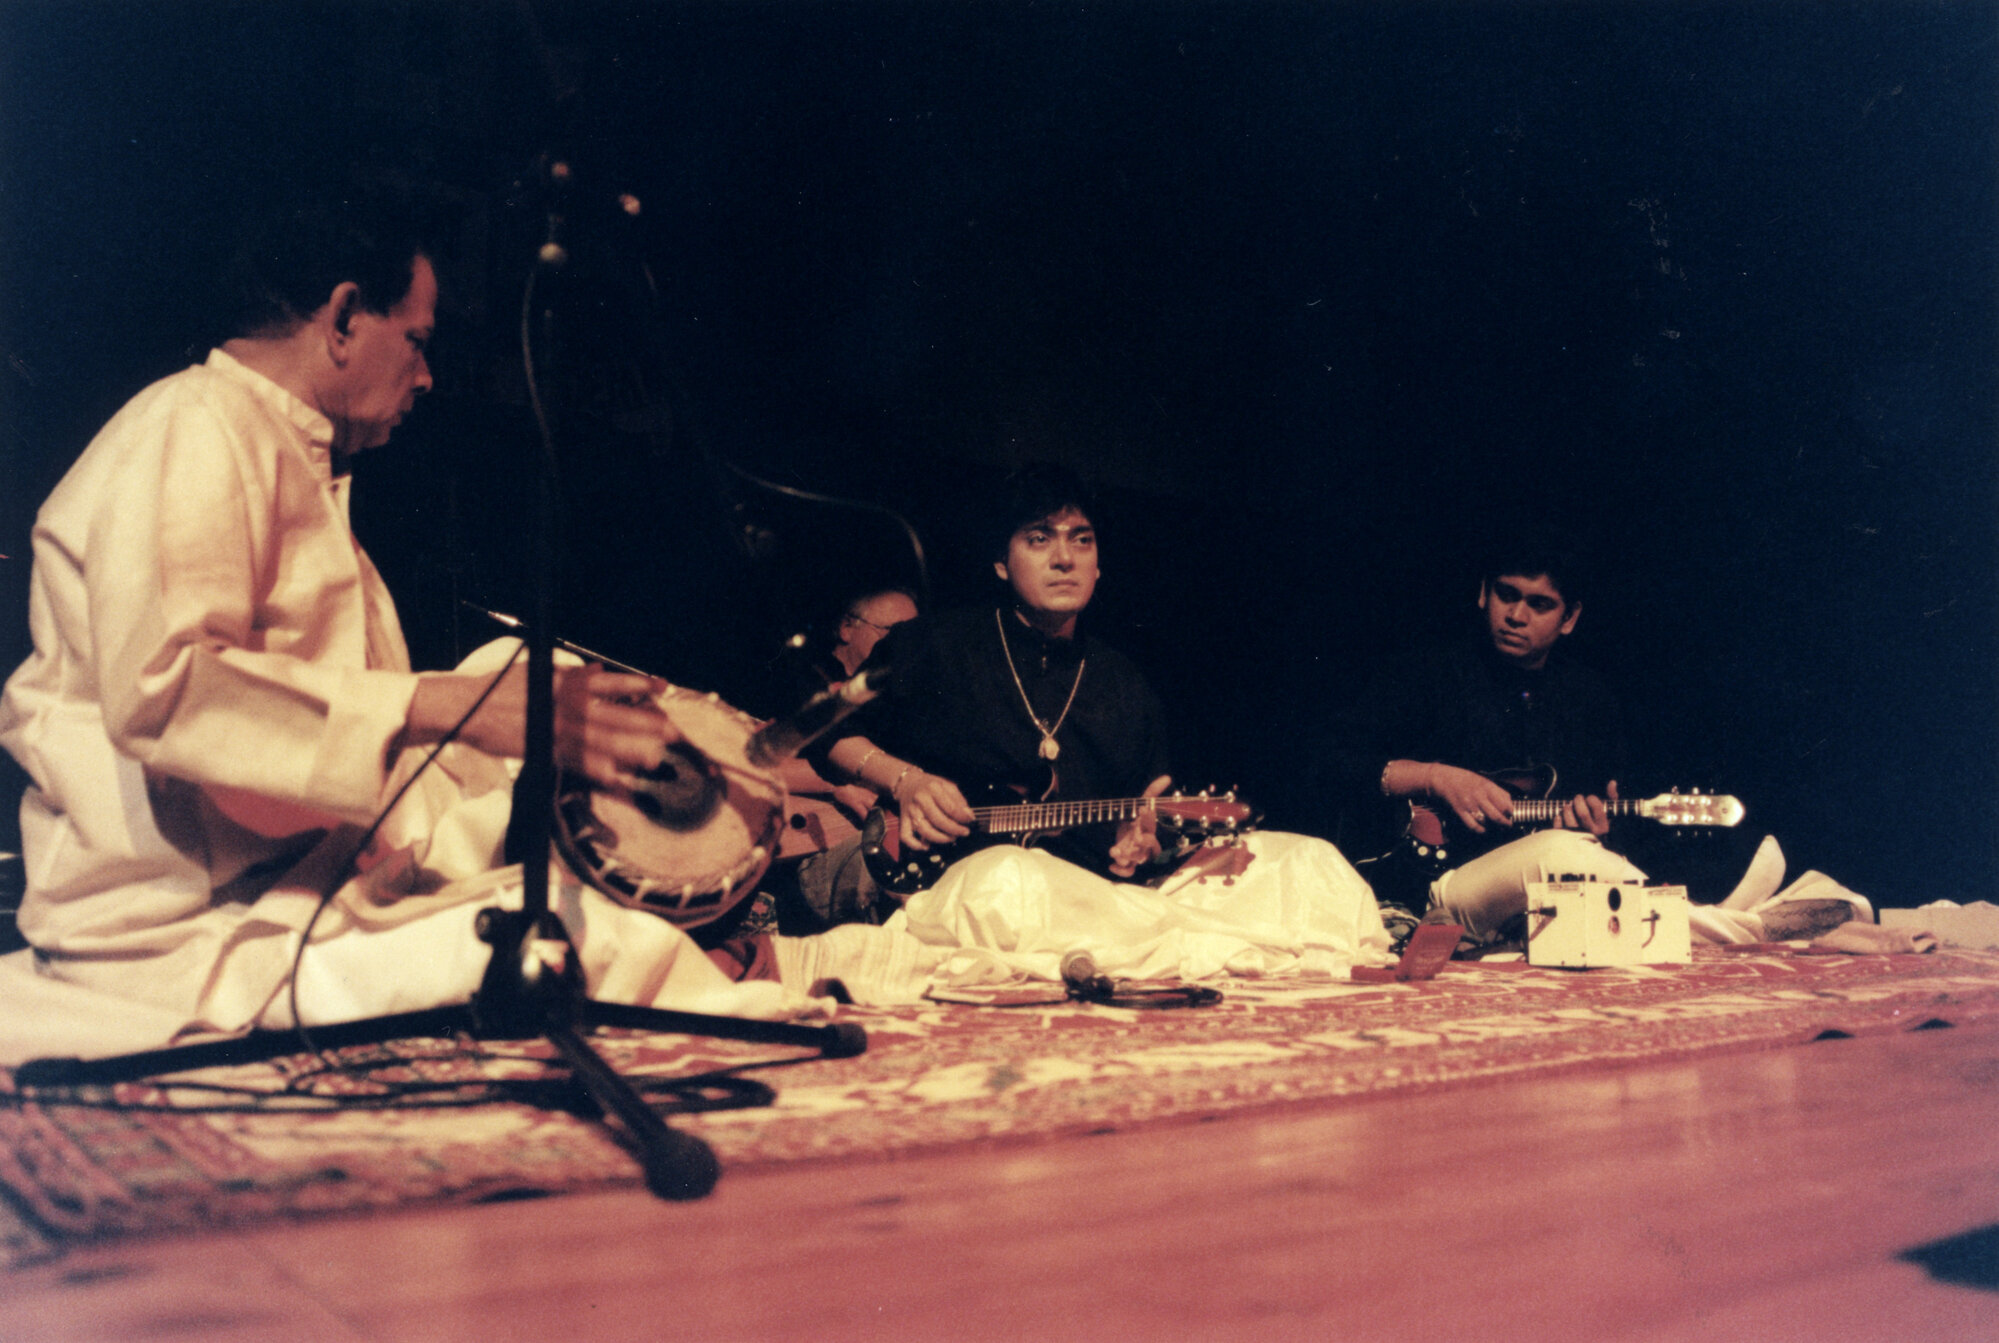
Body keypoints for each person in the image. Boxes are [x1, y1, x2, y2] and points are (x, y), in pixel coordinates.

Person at [0, 185, 801, 1042]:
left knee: (533, 701)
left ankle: (770, 979)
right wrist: (443, 708)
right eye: (417, 339)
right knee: (577, 942)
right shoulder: (190, 423)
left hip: (305, 890)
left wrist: (523, 709)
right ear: (344, 317)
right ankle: (781, 1017)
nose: (428, 375)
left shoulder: (288, 463)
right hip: (184, 932)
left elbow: (344, 740)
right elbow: (169, 690)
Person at [779, 464, 1387, 988]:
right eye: (1039, 539)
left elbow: (1140, 840)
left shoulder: (1125, 684)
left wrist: (1142, 847)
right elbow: (826, 735)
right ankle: (1170, 946)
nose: (1064, 558)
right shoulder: (932, 644)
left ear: (1099, 565)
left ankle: (1163, 944)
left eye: (1082, 540)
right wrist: (906, 781)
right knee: (1009, 881)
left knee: (1303, 861)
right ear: (1000, 561)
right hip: (952, 880)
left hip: (1084, 896)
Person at [1318, 539, 1859, 950]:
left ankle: (1726, 923)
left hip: (1543, 897)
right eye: (1506, 595)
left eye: (1539, 603)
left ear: (1570, 618)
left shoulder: (1588, 699)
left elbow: (1595, 828)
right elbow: (1330, 759)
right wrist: (1436, 776)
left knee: (1576, 852)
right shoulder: (1427, 672)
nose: (1516, 615)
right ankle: (1736, 926)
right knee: (1560, 853)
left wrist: (1593, 825)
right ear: (1482, 593)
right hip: (1434, 891)